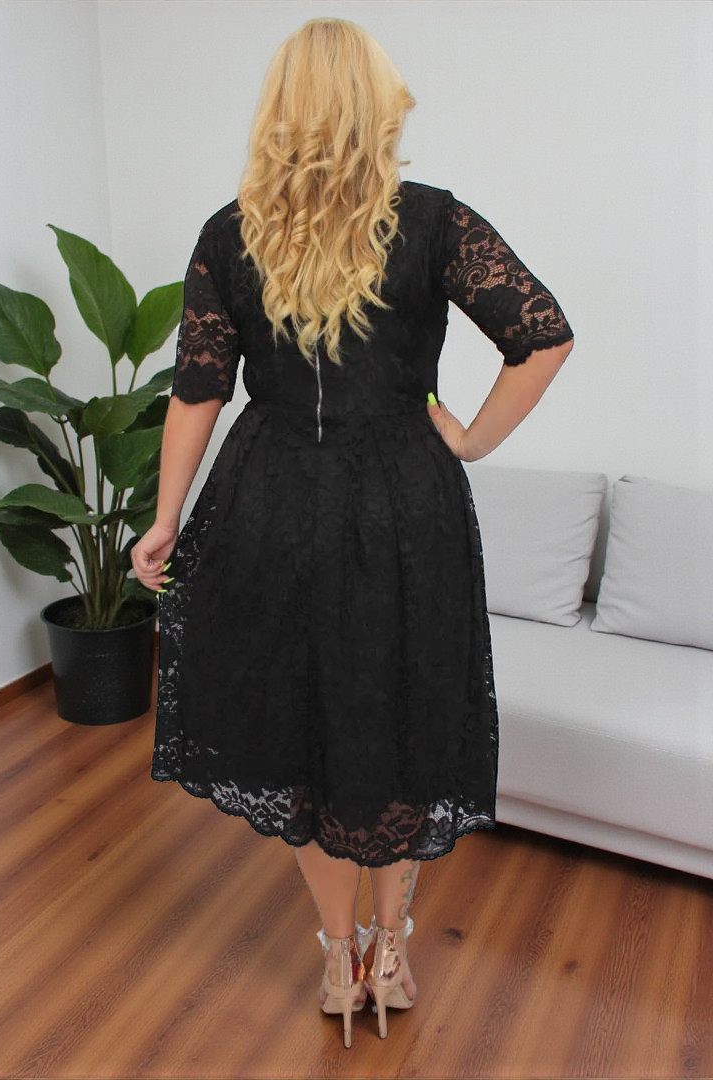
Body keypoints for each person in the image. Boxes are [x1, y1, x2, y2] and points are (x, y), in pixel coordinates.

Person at [132, 17, 574, 1049]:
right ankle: (392, 948)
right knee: (399, 717)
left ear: (279, 111)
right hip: (405, 504)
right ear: (379, 108)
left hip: (271, 499)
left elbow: (198, 388)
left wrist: (164, 517)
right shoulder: (433, 221)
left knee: (298, 734)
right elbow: (543, 336)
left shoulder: (231, 232)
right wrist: (467, 439)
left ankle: (338, 960)